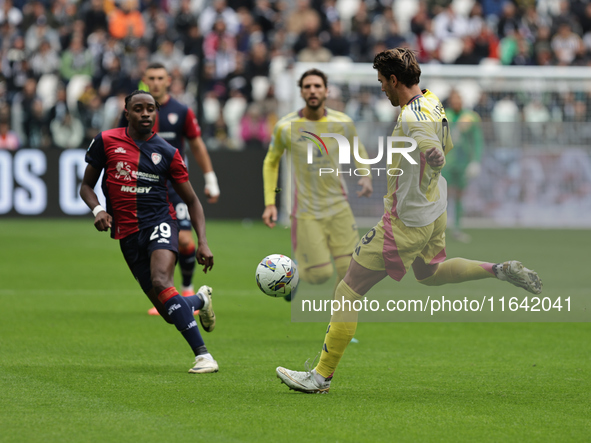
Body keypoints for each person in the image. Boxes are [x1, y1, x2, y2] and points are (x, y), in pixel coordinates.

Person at [276, 48, 542, 394]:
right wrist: (432, 156)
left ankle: (321, 375)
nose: (381, 89)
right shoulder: (431, 100)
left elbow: (427, 141)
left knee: (348, 290)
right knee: (429, 274)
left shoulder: (413, 117)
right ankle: (497, 269)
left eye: (382, 83)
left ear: (393, 80)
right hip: (434, 208)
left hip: (407, 221)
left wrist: (433, 155)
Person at [80, 90, 219, 374]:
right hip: (127, 234)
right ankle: (201, 300)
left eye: (150, 109)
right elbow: (86, 187)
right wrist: (98, 210)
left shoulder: (168, 153)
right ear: (127, 111)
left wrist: (202, 242)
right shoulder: (106, 141)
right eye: (139, 108)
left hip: (160, 223)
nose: (145, 113)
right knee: (171, 312)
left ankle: (204, 356)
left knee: (161, 280)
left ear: (156, 112)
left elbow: (192, 200)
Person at [262, 68, 373, 300]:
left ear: (326, 90)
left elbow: (359, 150)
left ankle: (337, 333)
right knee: (320, 275)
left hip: (339, 208)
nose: (312, 90)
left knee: (350, 274)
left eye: (317, 86)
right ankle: (294, 272)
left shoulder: (342, 122)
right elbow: (271, 162)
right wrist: (270, 203)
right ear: (301, 92)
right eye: (307, 87)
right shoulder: (286, 126)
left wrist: (366, 175)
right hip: (306, 213)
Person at [119, 62, 220, 314]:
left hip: (173, 187)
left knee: (186, 242)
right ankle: (169, 295)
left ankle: (187, 290)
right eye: (150, 78)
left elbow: (196, 145)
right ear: (144, 79)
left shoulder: (181, 112)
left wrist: (210, 178)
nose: (155, 82)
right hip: (147, 189)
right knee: (152, 245)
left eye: (160, 78)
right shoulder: (134, 111)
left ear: (168, 81)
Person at [443, 89, 484, 243]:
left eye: (458, 99)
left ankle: (457, 228)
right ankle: (439, 230)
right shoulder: (444, 115)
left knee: (459, 195)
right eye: (453, 99)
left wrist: (476, 161)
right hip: (446, 161)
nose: (456, 102)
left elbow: (478, 141)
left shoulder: (471, 117)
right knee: (442, 196)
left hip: (463, 162)